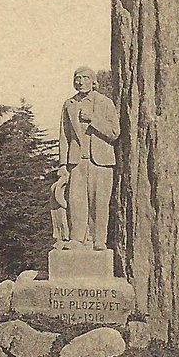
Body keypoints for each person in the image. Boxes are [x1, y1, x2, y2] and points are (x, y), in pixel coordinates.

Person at [58, 66, 120, 250]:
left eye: (85, 77)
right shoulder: (69, 104)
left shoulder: (105, 103)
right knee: (76, 201)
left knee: (99, 202)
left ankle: (98, 239)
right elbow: (64, 136)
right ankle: (76, 239)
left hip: (101, 162)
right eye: (77, 78)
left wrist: (93, 119)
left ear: (93, 82)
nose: (80, 81)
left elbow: (114, 133)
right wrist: (62, 164)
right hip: (77, 161)